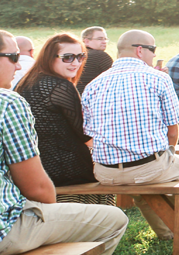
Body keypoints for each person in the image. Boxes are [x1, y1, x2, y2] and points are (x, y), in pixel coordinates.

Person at [0, 28, 129, 255]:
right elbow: (39, 187)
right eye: (12, 58)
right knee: (114, 218)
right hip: (4, 222)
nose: (16, 65)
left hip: (43, 174)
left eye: (81, 56)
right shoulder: (5, 101)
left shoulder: (27, 85)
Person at [81, 30, 179, 238]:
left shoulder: (92, 85)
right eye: (153, 49)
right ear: (140, 50)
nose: (154, 55)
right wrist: (168, 154)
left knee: (145, 182)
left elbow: (87, 134)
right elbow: (173, 129)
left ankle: (167, 231)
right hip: (149, 168)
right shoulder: (158, 78)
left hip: (106, 173)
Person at [14, 33, 109, 201]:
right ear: (50, 57)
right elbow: (85, 134)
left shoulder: (26, 83)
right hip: (68, 171)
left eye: (80, 56)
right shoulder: (60, 86)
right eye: (68, 57)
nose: (76, 63)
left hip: (36, 170)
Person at [76, 26, 113, 91]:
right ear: (86, 41)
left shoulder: (75, 56)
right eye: (100, 39)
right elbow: (113, 78)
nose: (104, 42)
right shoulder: (101, 56)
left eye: (105, 39)